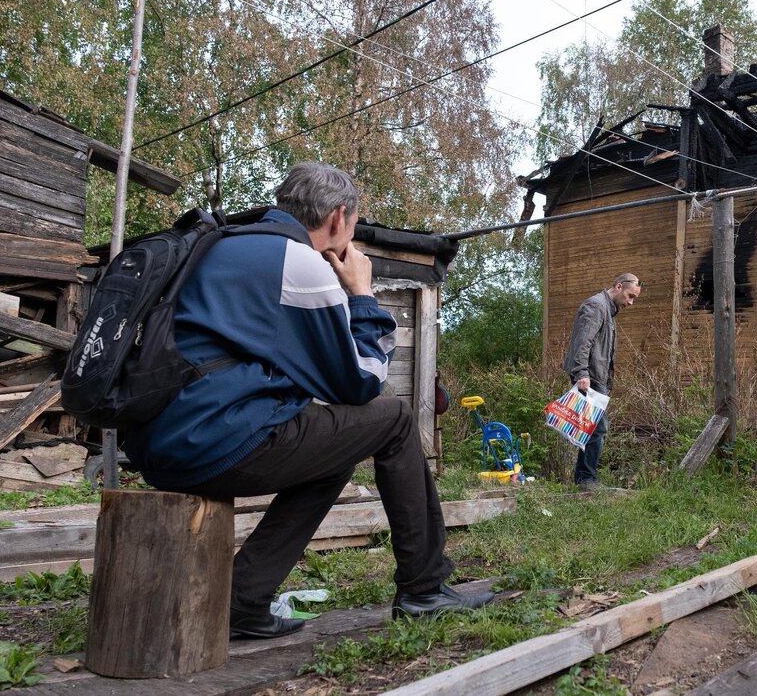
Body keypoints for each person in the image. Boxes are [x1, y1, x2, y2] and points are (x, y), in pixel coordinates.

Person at [124, 162, 492, 639]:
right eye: (354, 225)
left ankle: (241, 600)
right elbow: (362, 382)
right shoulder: (297, 263)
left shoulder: (223, 246)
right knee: (394, 417)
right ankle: (424, 588)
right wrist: (361, 294)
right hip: (213, 442)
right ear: (339, 219)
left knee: (336, 448)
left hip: (158, 443)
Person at [561, 273, 641, 492]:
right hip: (590, 377)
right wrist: (581, 373)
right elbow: (582, 341)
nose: (631, 302)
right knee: (597, 429)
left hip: (597, 376)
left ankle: (584, 478)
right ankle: (586, 480)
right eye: (630, 296)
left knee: (591, 428)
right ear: (618, 286)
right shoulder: (596, 306)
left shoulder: (608, 311)